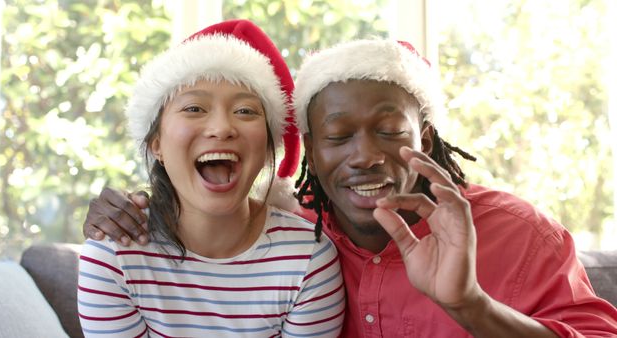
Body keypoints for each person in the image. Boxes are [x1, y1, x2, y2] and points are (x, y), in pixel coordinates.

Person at [83, 37, 617, 337]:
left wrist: (472, 305)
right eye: (338, 136)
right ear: (311, 150)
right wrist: (119, 212)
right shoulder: (310, 233)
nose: (365, 156)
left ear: (425, 139)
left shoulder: (518, 233)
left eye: (389, 132)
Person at [77, 19, 344, 337]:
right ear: (156, 144)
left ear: (267, 147)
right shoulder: (114, 255)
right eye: (194, 108)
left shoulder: (309, 257)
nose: (222, 127)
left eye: (245, 111)